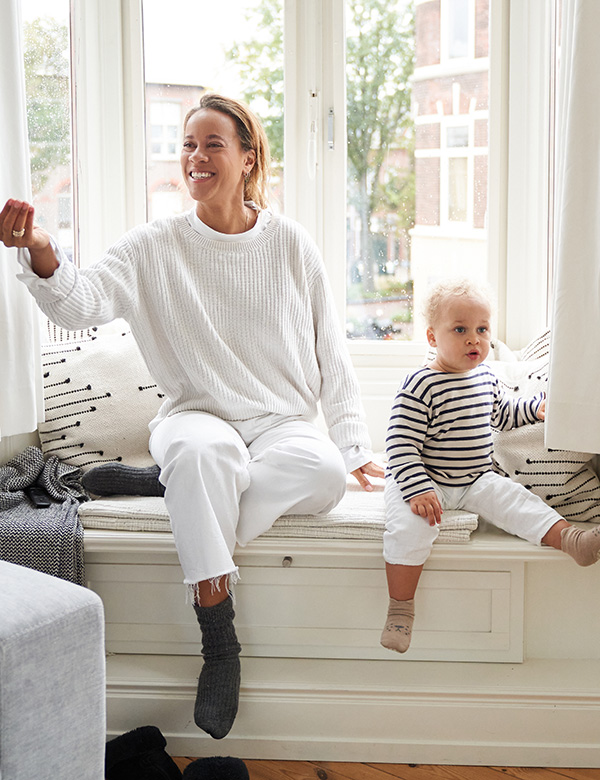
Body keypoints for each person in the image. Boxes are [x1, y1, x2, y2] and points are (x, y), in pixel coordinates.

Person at [0, 92, 384, 739]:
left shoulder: (291, 242)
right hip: (197, 417)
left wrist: (354, 446)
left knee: (322, 478)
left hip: (279, 421)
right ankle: (218, 633)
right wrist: (38, 243)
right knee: (204, 455)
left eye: (212, 144)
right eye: (187, 145)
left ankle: (173, 487)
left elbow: (331, 349)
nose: (195, 157)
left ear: (247, 156)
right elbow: (79, 301)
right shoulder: (155, 245)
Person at [381, 278, 600, 655]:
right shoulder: (421, 384)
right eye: (461, 330)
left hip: (474, 478)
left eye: (482, 329)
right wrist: (417, 488)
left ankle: (569, 538)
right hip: (423, 480)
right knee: (407, 529)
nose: (474, 339)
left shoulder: (486, 377)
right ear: (433, 338)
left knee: (517, 499)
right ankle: (400, 607)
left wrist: (534, 409)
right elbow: (399, 445)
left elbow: (501, 415)